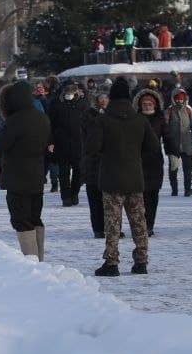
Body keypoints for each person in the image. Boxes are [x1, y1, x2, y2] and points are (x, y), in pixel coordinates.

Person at [89, 77, 155, 276]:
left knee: (112, 223)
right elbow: (152, 147)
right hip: (135, 177)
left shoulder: (102, 120)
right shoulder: (140, 120)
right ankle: (141, 261)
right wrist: (135, 156)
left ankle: (111, 263)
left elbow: (92, 147)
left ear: (110, 97)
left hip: (111, 178)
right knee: (139, 221)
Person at [0, 80, 52, 259]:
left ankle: (31, 260)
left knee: (21, 219)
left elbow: (0, 144)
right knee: (35, 217)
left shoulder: (15, 120)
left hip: (17, 176)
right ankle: (39, 258)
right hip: (37, 174)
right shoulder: (42, 117)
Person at [133, 88, 166, 236]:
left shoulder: (160, 118)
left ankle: (150, 224)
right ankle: (141, 224)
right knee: (141, 195)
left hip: (155, 161)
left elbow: (168, 136)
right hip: (138, 161)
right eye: (144, 104)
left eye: (149, 104)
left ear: (155, 105)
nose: (147, 106)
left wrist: (173, 152)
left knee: (153, 195)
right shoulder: (135, 118)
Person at [51, 83, 86, 207]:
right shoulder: (57, 104)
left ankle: (74, 193)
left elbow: (87, 123)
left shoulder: (82, 104)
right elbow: (52, 123)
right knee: (63, 172)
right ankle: (66, 197)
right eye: (67, 92)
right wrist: (51, 141)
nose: (69, 94)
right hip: (62, 142)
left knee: (78, 171)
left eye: (71, 92)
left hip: (78, 142)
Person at [81, 92, 110, 238]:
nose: (104, 101)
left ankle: (111, 227)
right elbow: (87, 133)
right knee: (95, 199)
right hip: (92, 161)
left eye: (106, 98)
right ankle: (98, 228)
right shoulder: (89, 115)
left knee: (111, 200)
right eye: (101, 99)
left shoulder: (113, 115)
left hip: (109, 162)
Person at [165, 87, 192, 197]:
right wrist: (167, 142)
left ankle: (187, 189)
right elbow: (165, 127)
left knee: (188, 170)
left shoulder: (188, 109)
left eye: (181, 99)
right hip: (173, 144)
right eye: (177, 99)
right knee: (173, 168)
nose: (179, 101)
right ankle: (174, 190)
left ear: (185, 99)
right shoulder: (169, 110)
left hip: (187, 144)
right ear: (173, 99)